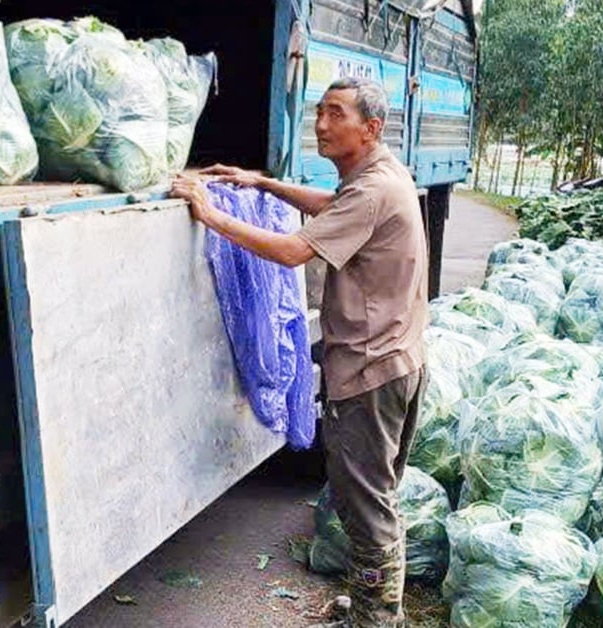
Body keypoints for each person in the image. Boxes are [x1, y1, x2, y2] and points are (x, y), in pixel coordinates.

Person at [169, 76, 429, 628]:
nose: (321, 124)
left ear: (371, 128)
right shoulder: (379, 178)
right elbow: (332, 205)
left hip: (371, 371)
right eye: (319, 112)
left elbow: (291, 252)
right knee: (372, 498)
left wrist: (209, 214)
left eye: (336, 114)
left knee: (367, 505)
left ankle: (376, 621)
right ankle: (375, 608)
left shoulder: (374, 188)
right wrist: (261, 184)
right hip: (394, 362)